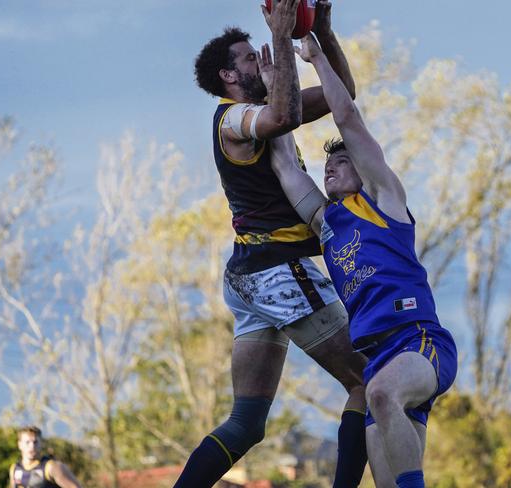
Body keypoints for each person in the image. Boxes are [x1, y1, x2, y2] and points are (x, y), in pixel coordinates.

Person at [174, 1, 367, 487]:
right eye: (247, 57)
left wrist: (321, 33)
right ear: (228, 75)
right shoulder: (233, 119)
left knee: (247, 424)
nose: (259, 56)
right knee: (368, 382)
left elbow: (346, 96)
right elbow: (281, 115)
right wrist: (282, 36)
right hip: (275, 270)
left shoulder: (264, 111)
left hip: (251, 274)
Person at [269, 33, 458, 488]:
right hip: (378, 357)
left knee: (379, 393)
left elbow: (347, 117)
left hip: (419, 343)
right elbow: (284, 165)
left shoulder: (383, 199)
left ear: (363, 169)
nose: (330, 167)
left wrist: (315, 58)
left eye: (342, 162)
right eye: (328, 164)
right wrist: (271, 88)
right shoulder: (326, 222)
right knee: (387, 471)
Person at [9, 426, 82, 488]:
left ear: (41, 444)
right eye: (27, 442)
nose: (32, 446)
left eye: (35, 442)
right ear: (19, 444)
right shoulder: (15, 469)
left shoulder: (51, 467)